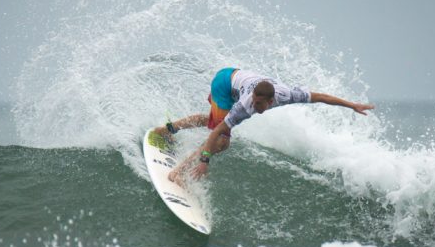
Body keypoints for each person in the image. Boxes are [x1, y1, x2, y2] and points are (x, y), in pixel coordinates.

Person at [154, 67, 374, 186]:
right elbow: (218, 133)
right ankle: (178, 174)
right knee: (221, 140)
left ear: (271, 101)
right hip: (224, 83)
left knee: (211, 120)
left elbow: (320, 97)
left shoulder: (287, 95)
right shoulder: (244, 105)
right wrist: (204, 160)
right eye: (254, 102)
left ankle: (167, 130)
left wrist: (351, 105)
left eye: (260, 104)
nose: (256, 107)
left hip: (231, 75)